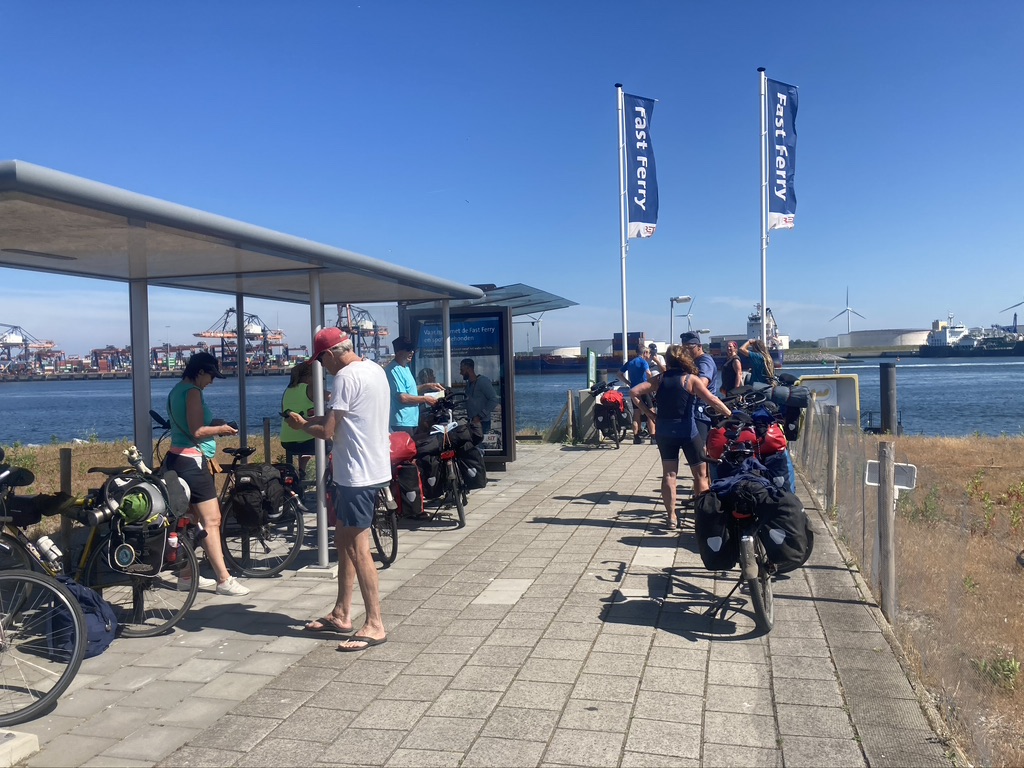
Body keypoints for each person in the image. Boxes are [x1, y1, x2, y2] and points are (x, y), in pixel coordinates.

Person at [285, 327, 388, 651]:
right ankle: (342, 612)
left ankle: (374, 623)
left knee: (357, 548)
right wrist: (319, 415)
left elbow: (329, 431)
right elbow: (348, 417)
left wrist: (302, 425)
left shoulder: (343, 377)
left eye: (321, 361)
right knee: (344, 542)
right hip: (370, 468)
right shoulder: (374, 370)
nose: (323, 368)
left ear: (330, 354)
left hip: (355, 474)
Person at [163, 351, 250, 596]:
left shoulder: (175, 391)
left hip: (176, 458)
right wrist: (222, 429)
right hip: (192, 461)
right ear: (200, 372)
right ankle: (224, 579)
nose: (211, 382)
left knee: (191, 519)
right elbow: (198, 430)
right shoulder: (192, 392)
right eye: (211, 376)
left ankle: (186, 575)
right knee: (211, 520)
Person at [631, 345, 732, 528]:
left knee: (669, 474)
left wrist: (650, 414)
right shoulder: (691, 380)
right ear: (685, 359)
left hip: (664, 432)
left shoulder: (659, 379)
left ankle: (671, 517)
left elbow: (634, 392)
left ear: (668, 361)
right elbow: (712, 399)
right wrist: (730, 415)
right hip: (688, 431)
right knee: (700, 475)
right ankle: (703, 517)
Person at [385, 337, 445, 434]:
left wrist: (427, 386)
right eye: (408, 350)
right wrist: (425, 399)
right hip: (402, 422)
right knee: (409, 448)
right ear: (399, 352)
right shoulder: (392, 370)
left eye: (412, 349)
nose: (412, 352)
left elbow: (410, 391)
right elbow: (403, 397)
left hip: (412, 420)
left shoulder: (405, 367)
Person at [280, 361, 318, 478]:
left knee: (305, 447)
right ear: (309, 376)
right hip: (309, 441)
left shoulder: (287, 391)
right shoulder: (310, 389)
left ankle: (302, 471)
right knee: (332, 444)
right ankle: (329, 475)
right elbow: (331, 397)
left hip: (287, 441)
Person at [680, 332, 716, 447]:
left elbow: (702, 384)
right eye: (684, 348)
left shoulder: (705, 361)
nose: (686, 351)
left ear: (699, 347)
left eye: (690, 348)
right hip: (692, 409)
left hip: (701, 410)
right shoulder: (693, 361)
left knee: (699, 448)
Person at [620, 343, 655, 444]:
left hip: (634, 390)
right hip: (644, 389)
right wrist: (651, 383)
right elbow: (648, 373)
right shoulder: (643, 362)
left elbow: (619, 374)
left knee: (636, 413)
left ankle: (636, 437)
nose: (648, 354)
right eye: (647, 352)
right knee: (650, 411)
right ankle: (653, 437)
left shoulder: (630, 362)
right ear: (644, 352)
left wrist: (628, 383)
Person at [460, 358, 499, 436]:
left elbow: (494, 399)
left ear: (469, 369)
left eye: (462, 370)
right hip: (472, 423)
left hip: (482, 423)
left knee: (482, 446)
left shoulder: (483, 382)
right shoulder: (469, 384)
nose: (460, 373)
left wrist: (480, 416)